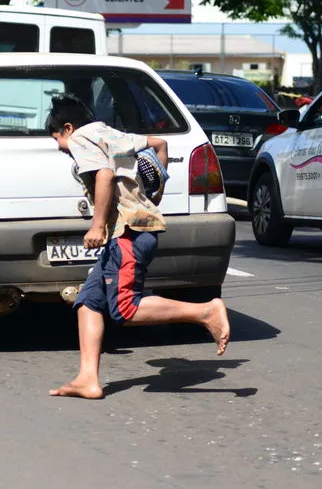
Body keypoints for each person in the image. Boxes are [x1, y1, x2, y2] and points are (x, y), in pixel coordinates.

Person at [46, 94, 230, 400]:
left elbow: (104, 175)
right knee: (89, 301)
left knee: (125, 309)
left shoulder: (81, 138)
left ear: (68, 128)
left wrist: (96, 225)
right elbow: (160, 145)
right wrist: (154, 193)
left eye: (57, 139)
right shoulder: (111, 133)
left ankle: (205, 311)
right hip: (132, 230)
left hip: (128, 234)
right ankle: (87, 378)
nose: (60, 148)